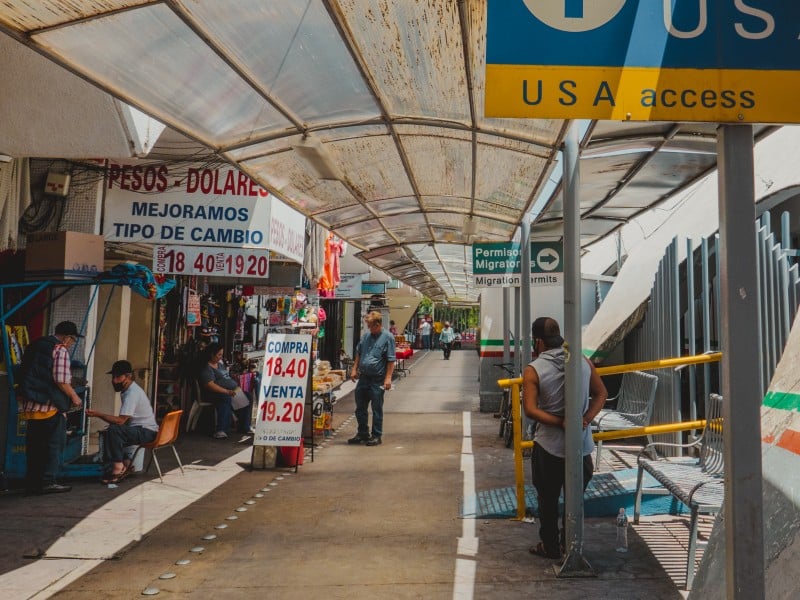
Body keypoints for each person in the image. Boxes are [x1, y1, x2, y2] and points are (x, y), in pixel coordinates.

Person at [522, 317, 608, 560]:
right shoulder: (582, 361)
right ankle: (570, 544)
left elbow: (530, 409)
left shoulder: (534, 368)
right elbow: (601, 393)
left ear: (538, 341)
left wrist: (560, 422)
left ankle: (550, 547)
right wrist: (584, 419)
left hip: (548, 447)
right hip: (581, 447)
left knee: (547, 502)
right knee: (575, 500)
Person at [17, 320, 84, 494]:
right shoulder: (59, 349)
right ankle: (48, 481)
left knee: (34, 448)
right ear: (68, 337)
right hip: (49, 407)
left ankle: (33, 483)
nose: (71, 344)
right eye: (73, 340)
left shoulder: (36, 344)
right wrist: (74, 397)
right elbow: (61, 380)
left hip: (30, 406)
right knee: (53, 446)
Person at [86, 360, 158, 484]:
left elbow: (120, 421)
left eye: (118, 377)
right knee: (111, 430)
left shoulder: (132, 393)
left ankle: (118, 468)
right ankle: (126, 464)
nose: (114, 380)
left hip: (147, 432)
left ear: (128, 376)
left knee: (115, 430)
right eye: (113, 377)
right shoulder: (128, 390)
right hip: (143, 429)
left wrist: (98, 414)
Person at [348, 311, 395, 446]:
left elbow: (391, 360)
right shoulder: (366, 336)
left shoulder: (388, 337)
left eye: (370, 325)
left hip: (377, 379)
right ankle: (362, 433)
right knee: (360, 407)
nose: (368, 328)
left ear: (378, 324)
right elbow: (359, 352)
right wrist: (354, 369)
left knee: (376, 408)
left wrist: (388, 378)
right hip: (364, 378)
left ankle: (376, 435)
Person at [198, 342, 240, 439]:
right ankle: (221, 430)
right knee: (225, 398)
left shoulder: (220, 365)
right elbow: (210, 385)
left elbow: (226, 377)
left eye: (221, 354)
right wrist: (226, 391)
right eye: (219, 355)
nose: (220, 357)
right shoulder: (206, 367)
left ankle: (244, 427)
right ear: (212, 354)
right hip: (213, 393)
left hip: (229, 391)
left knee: (247, 397)